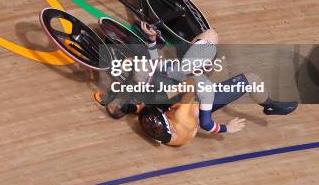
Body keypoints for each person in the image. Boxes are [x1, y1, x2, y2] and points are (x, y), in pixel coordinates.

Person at [95, 22, 298, 144]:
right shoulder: (192, 103)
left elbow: (154, 63)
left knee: (210, 37)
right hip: (195, 99)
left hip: (183, 84)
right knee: (251, 79)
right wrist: (228, 128)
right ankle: (270, 105)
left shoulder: (150, 84)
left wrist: (150, 39)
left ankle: (195, 53)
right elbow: (207, 123)